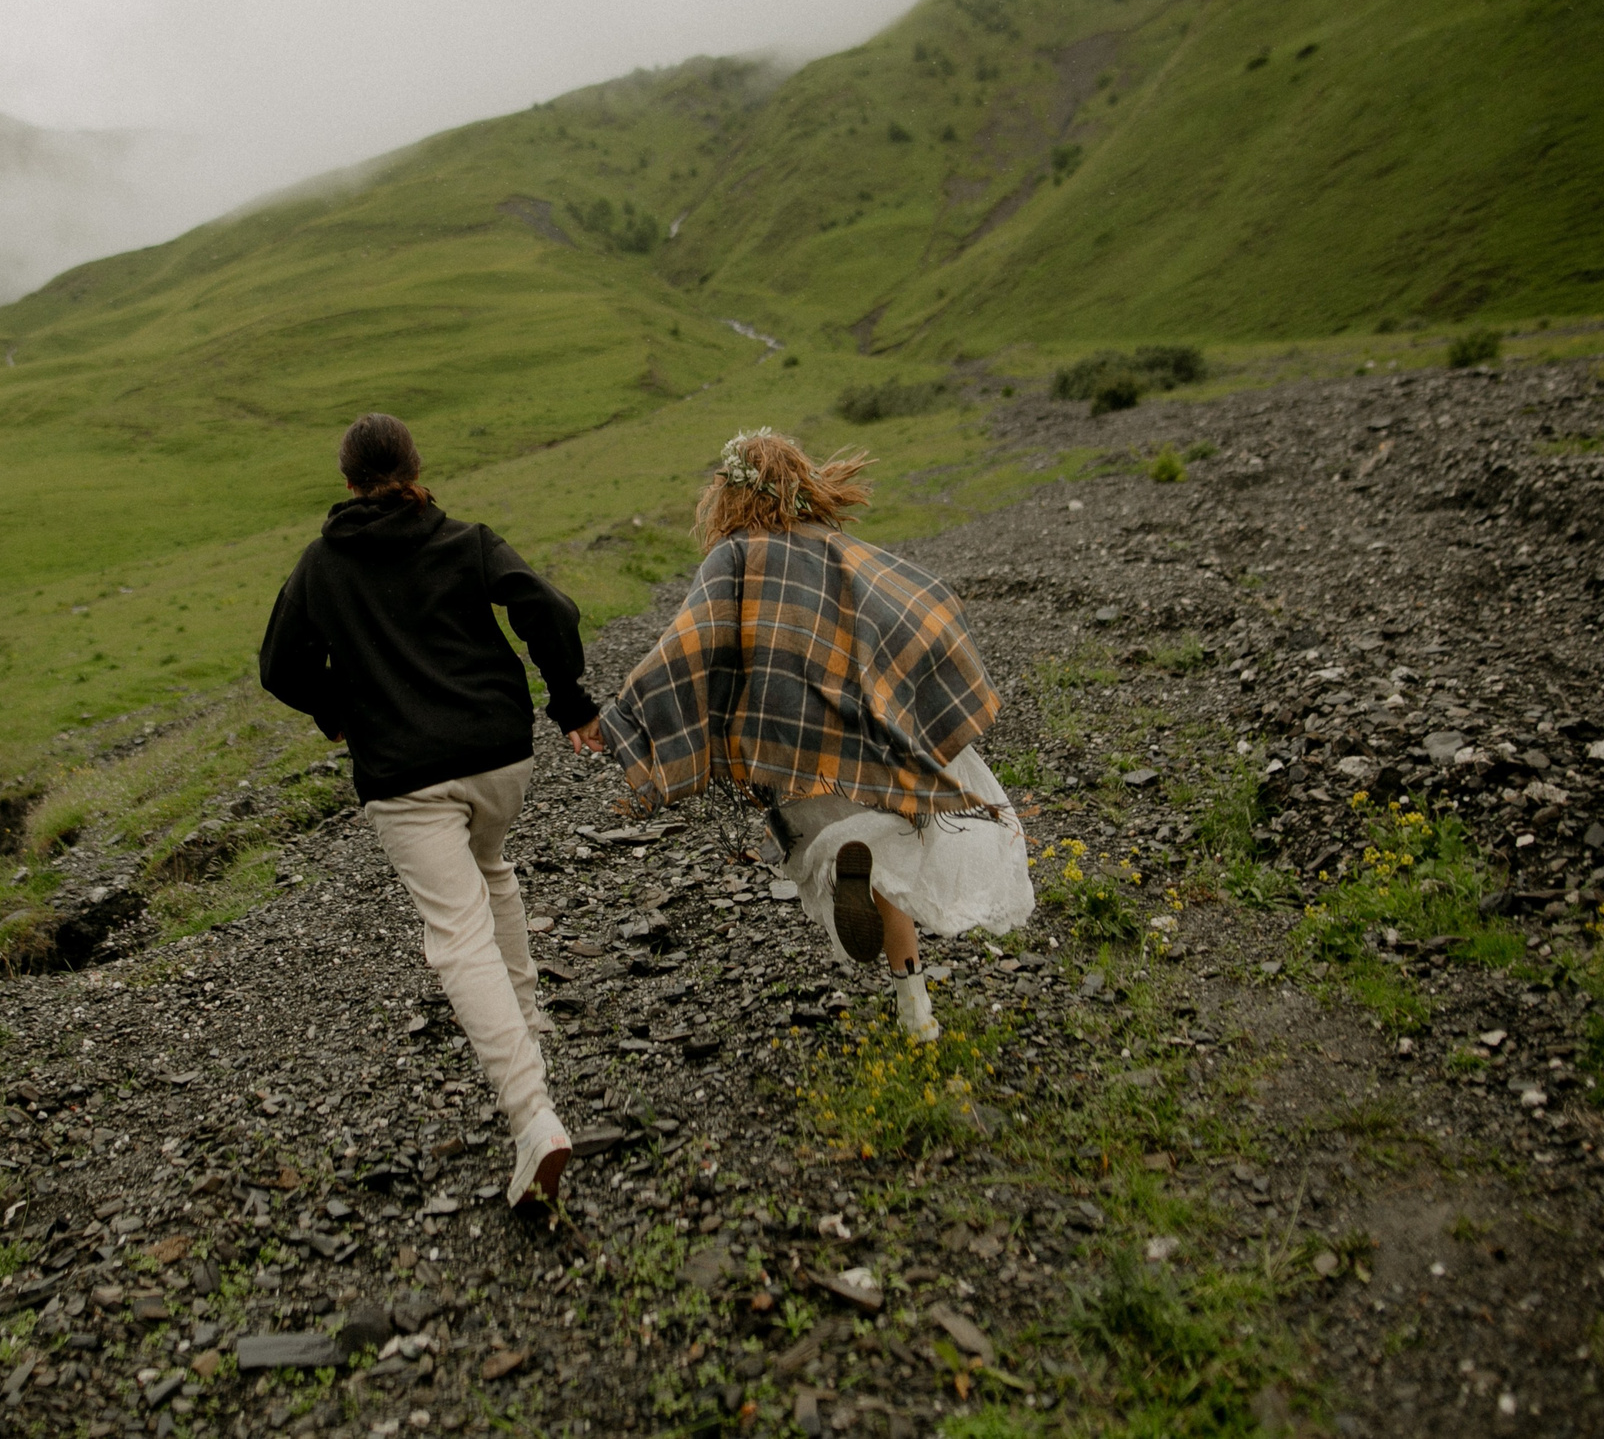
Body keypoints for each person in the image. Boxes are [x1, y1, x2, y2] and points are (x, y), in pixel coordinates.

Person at [576, 428, 1031, 1040]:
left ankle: (846, 870)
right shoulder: (837, 545)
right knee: (889, 853)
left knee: (826, 842)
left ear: (728, 495)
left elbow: (689, 642)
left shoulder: (734, 556)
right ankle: (916, 1010)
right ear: (800, 482)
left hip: (789, 741)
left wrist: (624, 716)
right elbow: (908, 606)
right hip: (867, 732)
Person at [258, 413, 599, 1210]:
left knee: (456, 935)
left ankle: (533, 1118)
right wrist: (570, 700)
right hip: (500, 757)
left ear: (347, 482)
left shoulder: (320, 566)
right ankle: (528, 1020)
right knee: (491, 866)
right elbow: (548, 607)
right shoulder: (465, 539)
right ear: (415, 468)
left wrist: (337, 710)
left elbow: (279, 665)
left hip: (407, 777)